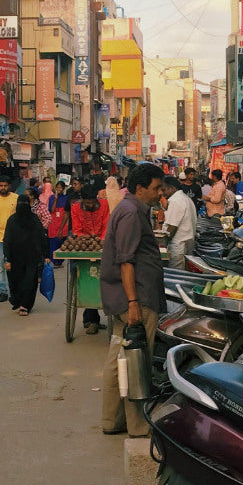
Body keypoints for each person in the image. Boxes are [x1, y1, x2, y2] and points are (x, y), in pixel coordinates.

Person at [99, 162, 166, 437]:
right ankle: (137, 426)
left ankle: (112, 420)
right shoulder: (130, 213)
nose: (160, 193)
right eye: (156, 188)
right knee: (137, 361)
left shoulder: (133, 210)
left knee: (120, 358)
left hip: (133, 297)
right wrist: (134, 303)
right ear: (140, 188)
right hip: (137, 298)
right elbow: (126, 261)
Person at [2, 194, 51, 316]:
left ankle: (25, 305)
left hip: (31, 257)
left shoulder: (33, 219)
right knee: (17, 281)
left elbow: (41, 237)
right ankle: (19, 301)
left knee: (29, 281)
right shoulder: (12, 220)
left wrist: (46, 255)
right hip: (16, 258)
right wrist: (7, 258)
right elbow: (7, 240)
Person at [72, 184, 110, 334]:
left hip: (102, 246)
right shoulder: (75, 208)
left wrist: (101, 242)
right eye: (87, 203)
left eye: (92, 202)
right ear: (82, 200)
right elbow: (76, 229)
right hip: (84, 246)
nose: (90, 205)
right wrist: (86, 242)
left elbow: (107, 225)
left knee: (100, 282)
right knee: (86, 281)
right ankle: (92, 319)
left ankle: (91, 319)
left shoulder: (105, 205)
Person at [157, 174, 196, 269]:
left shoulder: (175, 200)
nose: (162, 193)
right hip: (186, 242)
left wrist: (162, 241)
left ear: (172, 188)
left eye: (164, 189)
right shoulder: (185, 198)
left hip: (178, 245)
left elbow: (172, 227)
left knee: (177, 273)